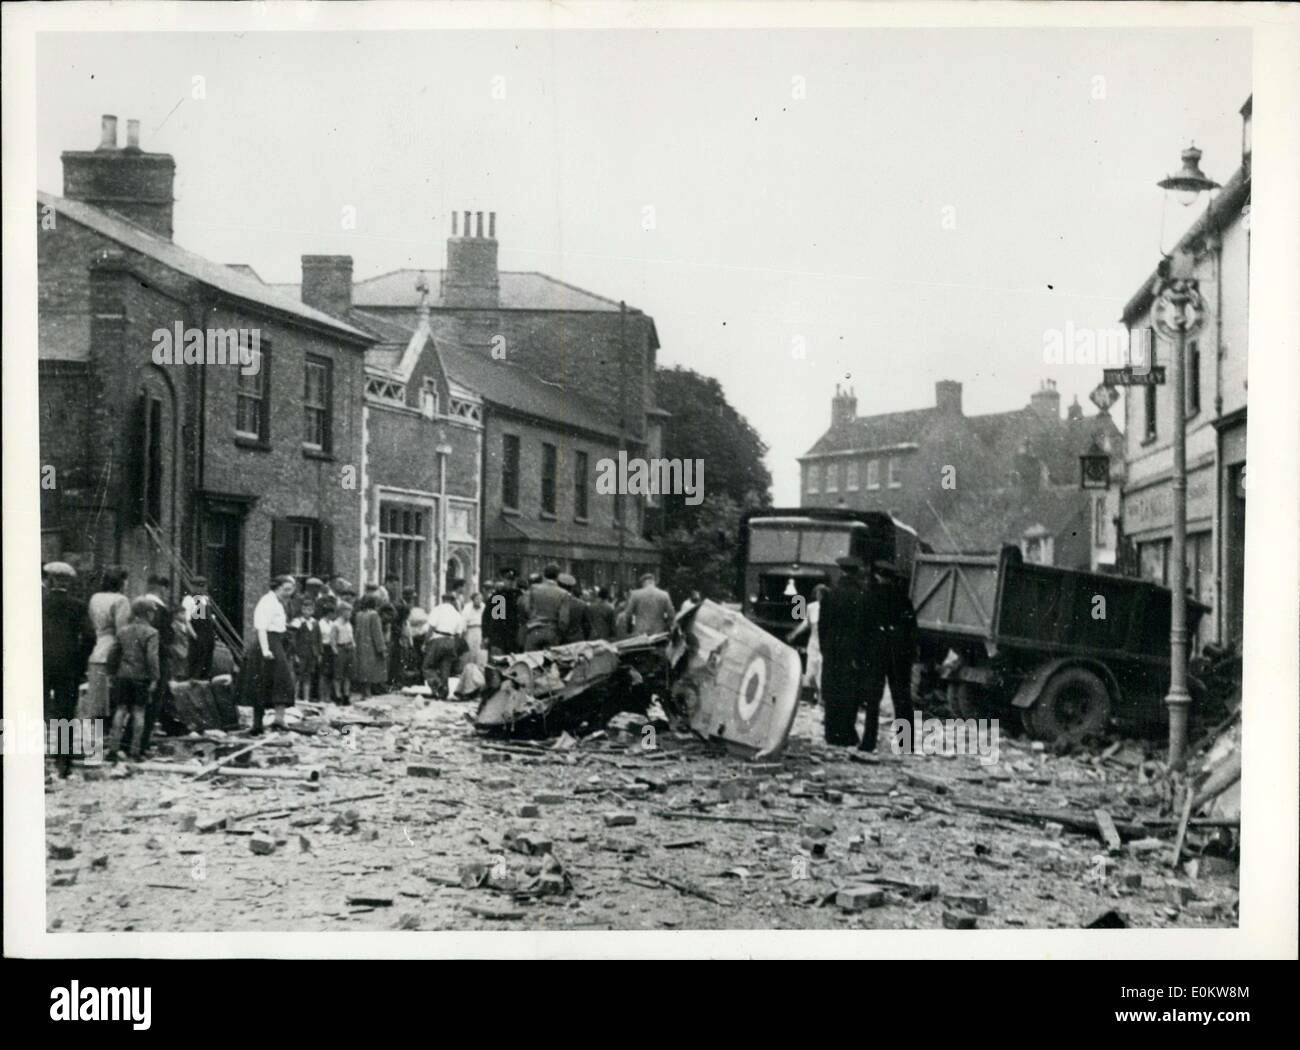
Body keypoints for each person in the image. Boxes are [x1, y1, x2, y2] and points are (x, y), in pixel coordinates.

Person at [818, 556, 879, 748]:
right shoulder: (862, 595)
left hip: (832, 651)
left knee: (831, 691)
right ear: (856, 572)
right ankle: (846, 735)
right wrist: (862, 655)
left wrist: (825, 649)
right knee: (850, 693)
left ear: (842, 571)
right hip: (852, 653)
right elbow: (866, 629)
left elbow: (822, 626)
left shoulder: (830, 594)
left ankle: (830, 733)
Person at [42, 562, 88, 776]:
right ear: (68, 582)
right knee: (65, 713)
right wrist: (79, 662)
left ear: (49, 580)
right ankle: (63, 764)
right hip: (68, 666)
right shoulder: (78, 606)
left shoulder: (38, 602)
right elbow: (89, 637)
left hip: (40, 663)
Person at [241, 575, 297, 735]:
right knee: (264, 680)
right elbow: (261, 628)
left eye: (291, 590)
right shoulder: (267, 602)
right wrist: (266, 650)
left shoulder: (278, 603)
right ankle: (257, 724)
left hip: (276, 641)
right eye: (286, 589)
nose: (289, 593)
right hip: (267, 643)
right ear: (277, 588)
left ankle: (279, 719)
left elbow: (275, 624)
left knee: (279, 680)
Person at [107, 597, 161, 762]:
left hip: (123, 675)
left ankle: (113, 750)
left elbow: (113, 654)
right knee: (139, 712)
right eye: (152, 612)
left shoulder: (123, 631)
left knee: (120, 710)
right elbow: (152, 657)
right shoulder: (151, 632)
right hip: (141, 677)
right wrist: (154, 678)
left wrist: (111, 673)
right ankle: (135, 752)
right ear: (148, 613)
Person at [869, 561, 918, 730]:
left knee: (873, 698)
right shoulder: (904, 599)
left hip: (876, 652)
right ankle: (906, 742)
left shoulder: (871, 597)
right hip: (900, 654)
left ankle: (868, 740)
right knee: (902, 698)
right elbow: (912, 629)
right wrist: (910, 654)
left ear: (877, 576)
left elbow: (863, 628)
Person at [82, 566, 131, 722]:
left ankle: (96, 734)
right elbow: (122, 629)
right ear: (121, 582)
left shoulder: (95, 598)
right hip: (112, 649)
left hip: (95, 648)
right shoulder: (121, 600)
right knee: (112, 695)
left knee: (97, 696)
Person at [788, 582, 829, 705]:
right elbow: (806, 624)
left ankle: (821, 698)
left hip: (825, 644)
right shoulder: (811, 607)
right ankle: (816, 693)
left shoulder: (831, 607)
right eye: (817, 594)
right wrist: (794, 633)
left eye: (821, 594)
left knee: (821, 673)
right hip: (813, 643)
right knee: (810, 673)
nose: (819, 596)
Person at [423, 592, 465, 697]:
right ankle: (444, 691)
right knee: (445, 667)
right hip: (450, 641)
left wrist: (425, 642)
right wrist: (455, 648)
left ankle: (437, 683)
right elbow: (458, 634)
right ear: (452, 601)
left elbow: (431, 628)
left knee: (427, 666)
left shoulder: (437, 609)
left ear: (442, 600)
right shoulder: (457, 614)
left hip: (438, 639)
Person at [521, 565, 570, 651]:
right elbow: (563, 619)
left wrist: (532, 617)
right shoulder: (563, 594)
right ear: (558, 576)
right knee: (551, 661)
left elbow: (526, 607)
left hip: (534, 629)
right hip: (552, 631)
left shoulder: (533, 589)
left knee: (530, 661)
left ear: (544, 575)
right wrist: (560, 633)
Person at [353, 594, 389, 697]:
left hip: (360, 645)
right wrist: (382, 648)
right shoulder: (374, 615)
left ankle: (364, 692)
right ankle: (368, 693)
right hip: (371, 647)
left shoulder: (358, 614)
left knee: (362, 669)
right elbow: (377, 633)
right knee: (371, 669)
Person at [184, 576, 217, 680]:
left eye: (203, 586)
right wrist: (194, 636)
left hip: (208, 634)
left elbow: (207, 617)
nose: (202, 589)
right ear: (193, 587)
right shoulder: (189, 599)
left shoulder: (205, 599)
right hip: (198, 634)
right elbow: (187, 620)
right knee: (197, 664)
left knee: (207, 663)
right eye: (199, 587)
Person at [485, 569, 522, 657]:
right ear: (503, 580)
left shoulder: (519, 596)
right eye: (508, 579)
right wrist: (487, 635)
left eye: (512, 580)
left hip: (515, 638)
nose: (510, 582)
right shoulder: (498, 597)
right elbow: (494, 620)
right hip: (500, 638)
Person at [626, 572, 674, 636]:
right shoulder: (664, 594)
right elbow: (671, 615)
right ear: (654, 582)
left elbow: (628, 614)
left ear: (643, 583)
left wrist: (629, 629)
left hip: (640, 632)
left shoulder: (635, 594)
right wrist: (666, 626)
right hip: (659, 632)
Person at [291, 598, 321, 702]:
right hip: (301, 653)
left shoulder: (315, 623)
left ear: (313, 611)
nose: (307, 612)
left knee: (308, 676)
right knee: (298, 676)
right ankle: (294, 698)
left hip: (311, 654)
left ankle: (306, 699)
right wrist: (295, 654)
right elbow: (293, 639)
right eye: (305, 609)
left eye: (310, 610)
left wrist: (318, 653)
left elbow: (318, 638)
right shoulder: (298, 622)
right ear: (302, 610)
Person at [331, 602, 356, 704]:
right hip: (341, 649)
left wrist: (353, 645)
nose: (350, 614)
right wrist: (335, 651)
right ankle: (337, 695)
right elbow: (332, 639)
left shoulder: (349, 624)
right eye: (348, 611)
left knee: (348, 674)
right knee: (338, 674)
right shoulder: (336, 624)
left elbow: (351, 636)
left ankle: (346, 695)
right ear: (342, 612)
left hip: (349, 648)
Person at [558, 573, 588, 643]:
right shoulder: (581, 604)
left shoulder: (555, 602)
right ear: (572, 588)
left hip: (559, 641)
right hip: (576, 641)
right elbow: (587, 626)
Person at [462, 591, 486, 665]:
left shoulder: (483, 606)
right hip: (470, 630)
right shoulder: (467, 607)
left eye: (480, 599)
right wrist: (464, 632)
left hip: (480, 630)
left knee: (479, 651)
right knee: (469, 650)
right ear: (473, 599)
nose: (479, 601)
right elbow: (463, 620)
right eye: (477, 599)